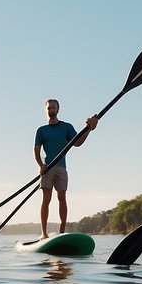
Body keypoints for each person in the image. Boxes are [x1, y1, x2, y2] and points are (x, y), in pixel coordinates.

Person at [33, 99, 99, 239]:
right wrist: (41, 166)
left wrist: (89, 129)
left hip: (61, 168)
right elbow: (36, 151)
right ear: (46, 110)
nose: (51, 110)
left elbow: (78, 142)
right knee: (46, 199)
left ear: (58, 109)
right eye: (49, 108)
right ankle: (43, 234)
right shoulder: (41, 130)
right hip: (47, 168)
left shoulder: (66, 127)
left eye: (53, 108)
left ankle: (62, 231)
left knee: (62, 197)